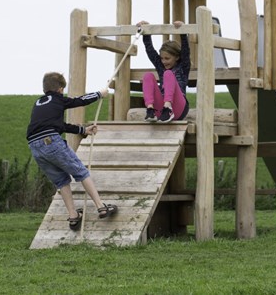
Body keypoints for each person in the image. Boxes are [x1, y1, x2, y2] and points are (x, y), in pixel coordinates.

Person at [26, 72, 117, 231]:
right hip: (51, 141)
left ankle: (73, 215)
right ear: (61, 89)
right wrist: (99, 94)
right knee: (81, 172)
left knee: (61, 180)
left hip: (35, 146)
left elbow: (60, 125)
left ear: (44, 88)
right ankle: (101, 206)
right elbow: (80, 101)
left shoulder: (39, 103)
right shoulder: (58, 99)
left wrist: (83, 130)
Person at [136, 20, 191, 123]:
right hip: (161, 111)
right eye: (162, 58)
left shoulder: (183, 66)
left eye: (167, 58)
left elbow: (185, 51)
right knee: (148, 76)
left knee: (168, 73)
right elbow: (150, 50)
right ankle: (150, 110)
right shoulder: (161, 66)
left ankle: (168, 108)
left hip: (178, 108)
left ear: (177, 57)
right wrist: (146, 31)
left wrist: (182, 31)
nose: (164, 61)